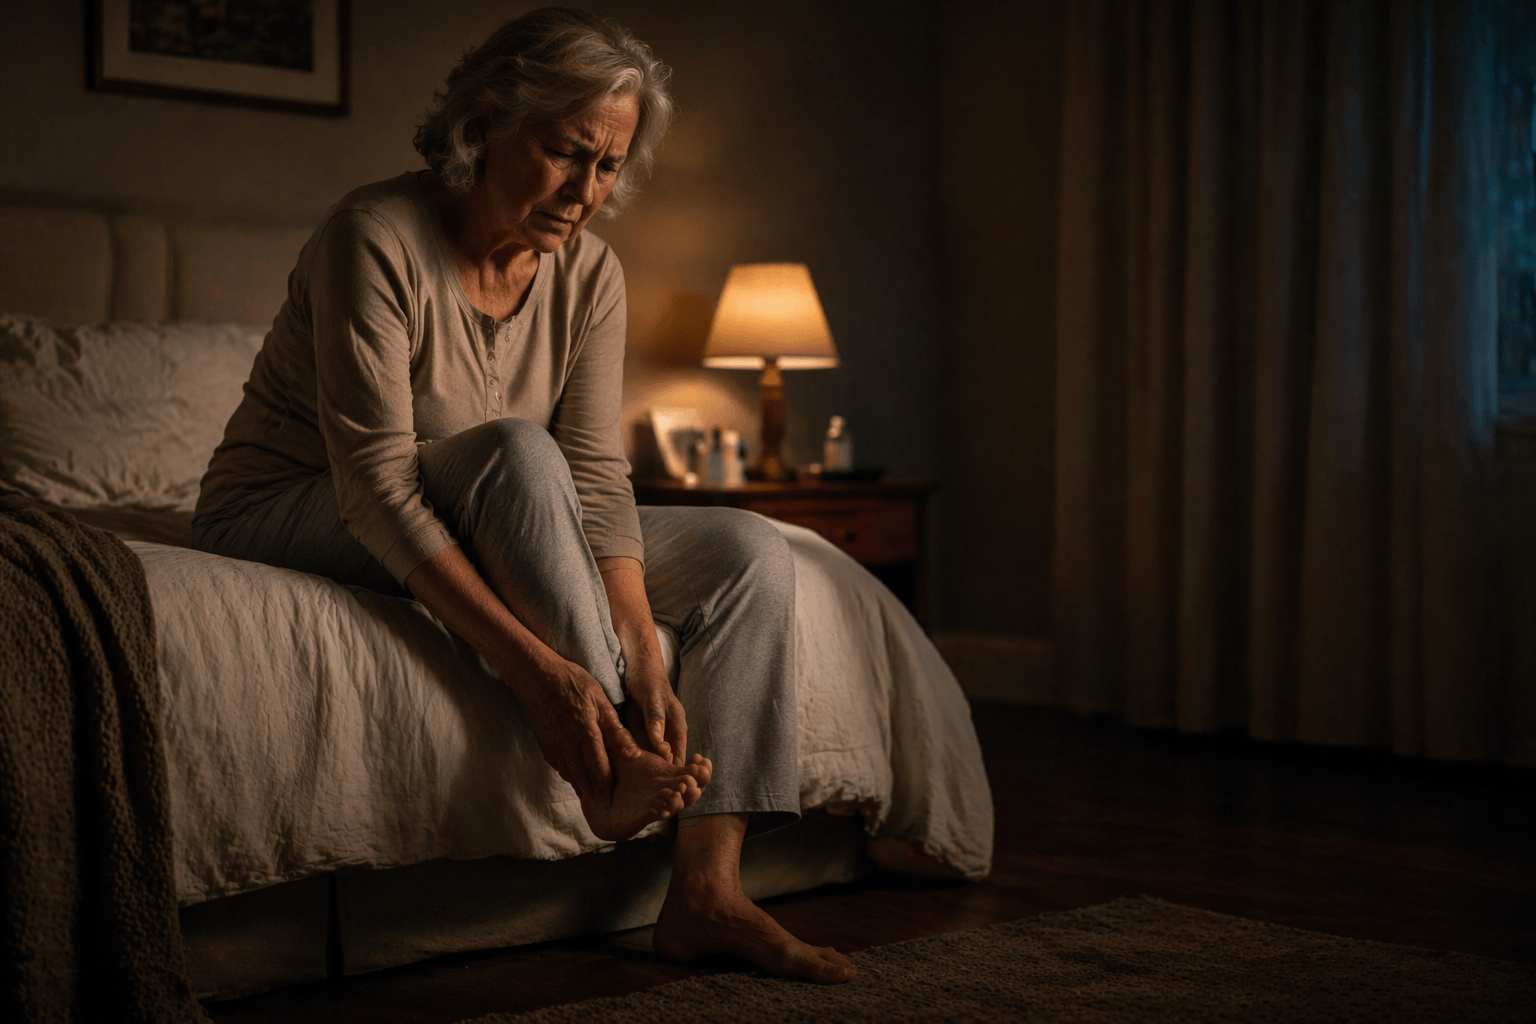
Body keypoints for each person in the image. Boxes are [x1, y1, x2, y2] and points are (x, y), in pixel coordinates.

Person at [191, 7, 856, 984]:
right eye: (565, 152)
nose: (587, 189)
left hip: (478, 492)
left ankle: (708, 893)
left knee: (750, 548)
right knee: (512, 447)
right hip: (286, 503)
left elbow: (593, 472)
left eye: (608, 167)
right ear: (487, 120)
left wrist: (640, 642)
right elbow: (376, 485)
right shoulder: (372, 235)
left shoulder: (590, 273)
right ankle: (605, 765)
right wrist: (552, 678)